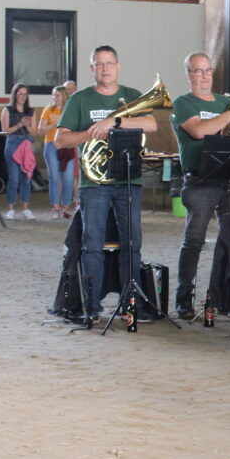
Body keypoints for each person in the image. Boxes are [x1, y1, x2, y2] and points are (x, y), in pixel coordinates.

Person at [55, 45, 157, 321]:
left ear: (118, 66)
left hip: (127, 179)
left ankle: (130, 305)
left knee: (132, 244)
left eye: (109, 63)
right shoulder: (79, 100)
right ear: (92, 69)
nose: (105, 68)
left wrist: (116, 121)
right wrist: (91, 134)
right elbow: (61, 140)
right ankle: (91, 306)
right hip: (94, 183)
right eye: (99, 64)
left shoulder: (131, 96)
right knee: (92, 244)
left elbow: (151, 124)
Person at [170, 52, 230, 320]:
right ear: (188, 74)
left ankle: (225, 297)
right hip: (200, 181)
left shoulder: (227, 101)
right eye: (197, 71)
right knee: (194, 240)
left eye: (207, 71)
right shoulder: (183, 103)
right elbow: (198, 131)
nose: (203, 76)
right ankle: (184, 297)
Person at [0, 83, 38, 220]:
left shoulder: (31, 111)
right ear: (14, 95)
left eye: (24, 94)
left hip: (26, 143)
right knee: (14, 178)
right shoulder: (8, 110)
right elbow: (5, 131)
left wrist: (27, 126)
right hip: (12, 143)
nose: (22, 96)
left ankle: (25, 208)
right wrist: (20, 124)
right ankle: (10, 208)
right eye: (20, 93)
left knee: (26, 178)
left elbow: (35, 133)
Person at [38, 86, 74, 218]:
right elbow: (40, 131)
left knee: (68, 178)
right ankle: (55, 206)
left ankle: (65, 206)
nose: (54, 98)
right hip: (51, 144)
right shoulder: (48, 110)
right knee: (54, 176)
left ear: (64, 96)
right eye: (53, 95)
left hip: (66, 145)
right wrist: (55, 124)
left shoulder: (70, 110)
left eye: (57, 95)